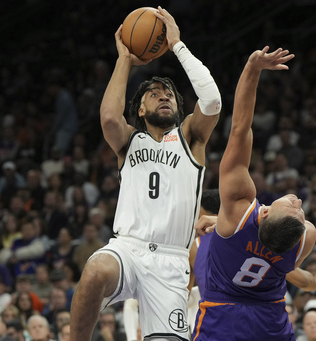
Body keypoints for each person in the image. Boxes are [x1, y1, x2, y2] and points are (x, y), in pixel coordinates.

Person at [70, 6, 222, 341]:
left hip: (171, 262)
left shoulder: (190, 138)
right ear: (141, 109)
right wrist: (124, 58)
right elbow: (110, 118)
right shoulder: (129, 141)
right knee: (95, 271)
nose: (164, 96)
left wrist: (178, 45)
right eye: (154, 93)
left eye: (169, 94)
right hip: (129, 247)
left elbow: (211, 100)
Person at [191, 47, 316, 340]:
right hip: (271, 323)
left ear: (265, 211)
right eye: (299, 208)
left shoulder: (236, 213)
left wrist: (252, 68)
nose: (298, 202)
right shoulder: (304, 236)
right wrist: (314, 283)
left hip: (222, 318)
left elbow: (240, 129)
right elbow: (287, 267)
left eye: (294, 206)